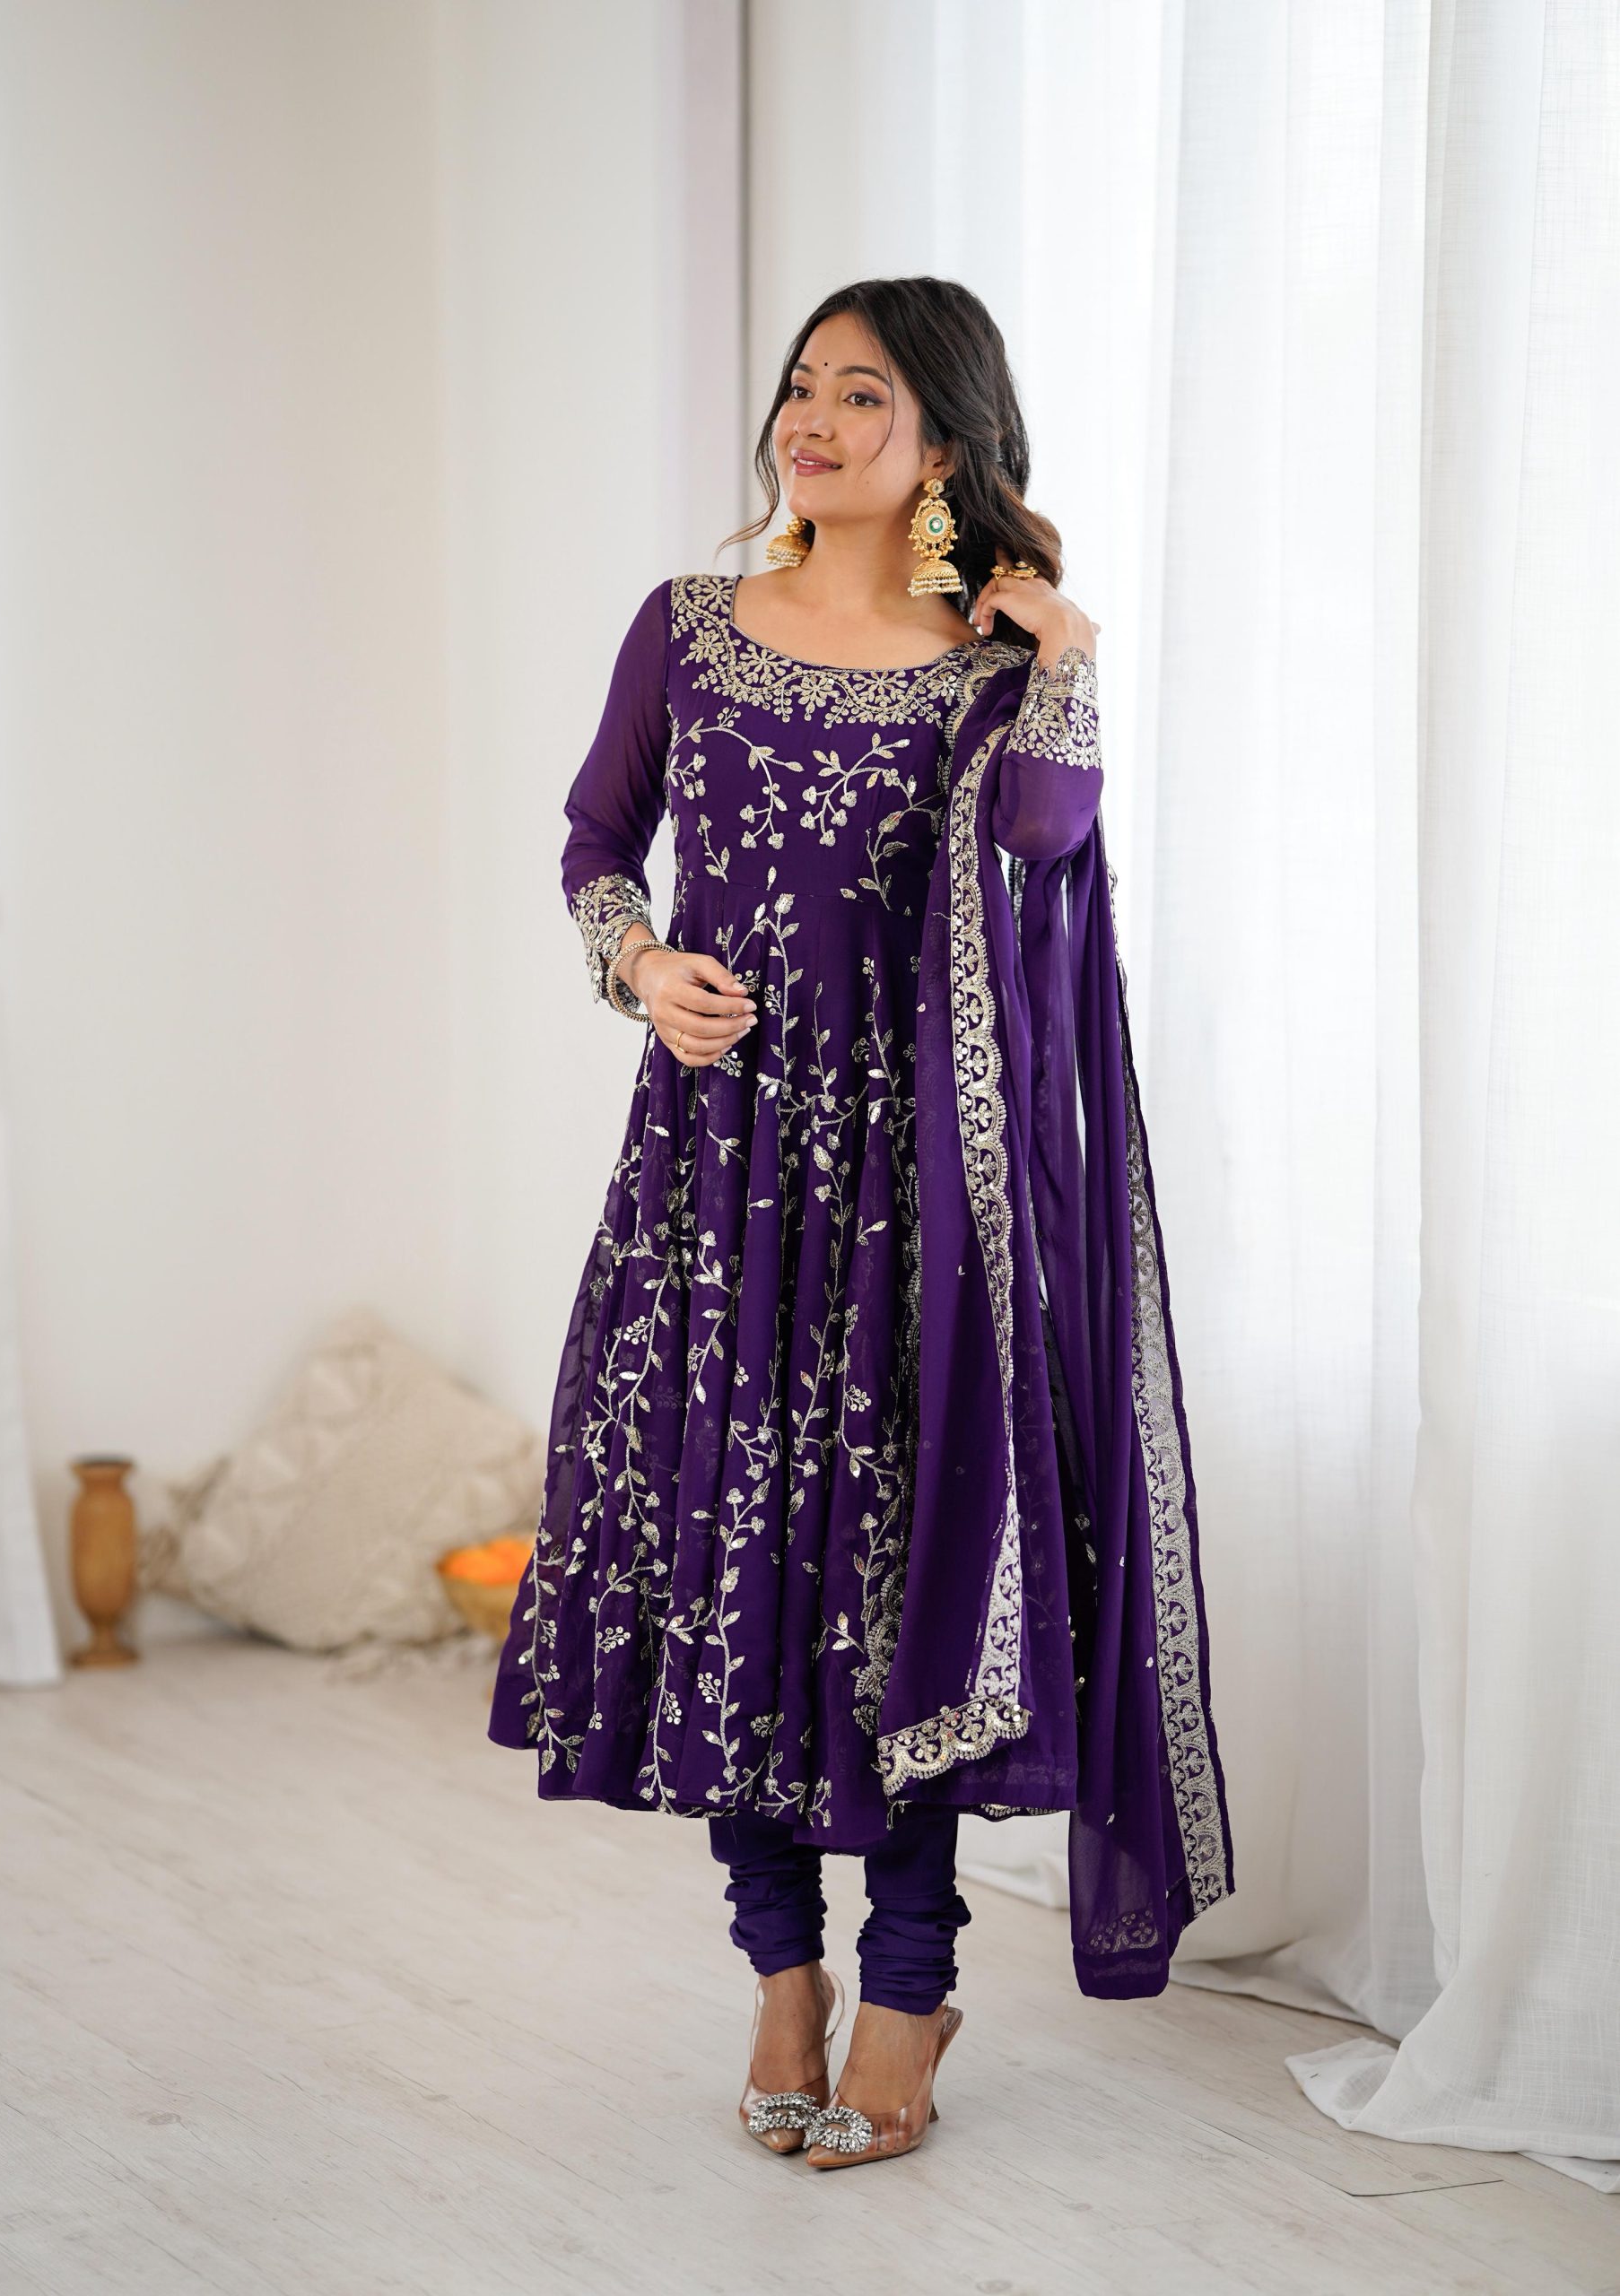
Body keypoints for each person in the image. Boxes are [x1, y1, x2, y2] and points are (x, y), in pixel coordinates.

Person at [489, 274, 1235, 2170]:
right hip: (718, 1178)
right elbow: (596, 842)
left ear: (945, 444)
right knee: (739, 1573)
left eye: (862, 396)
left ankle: (907, 1989)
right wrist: (639, 966)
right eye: (802, 388)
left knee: (892, 1585)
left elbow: (1049, 840)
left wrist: (1065, 647)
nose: (811, 424)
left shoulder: (989, 671)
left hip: (924, 1204)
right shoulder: (686, 626)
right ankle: (779, 1973)